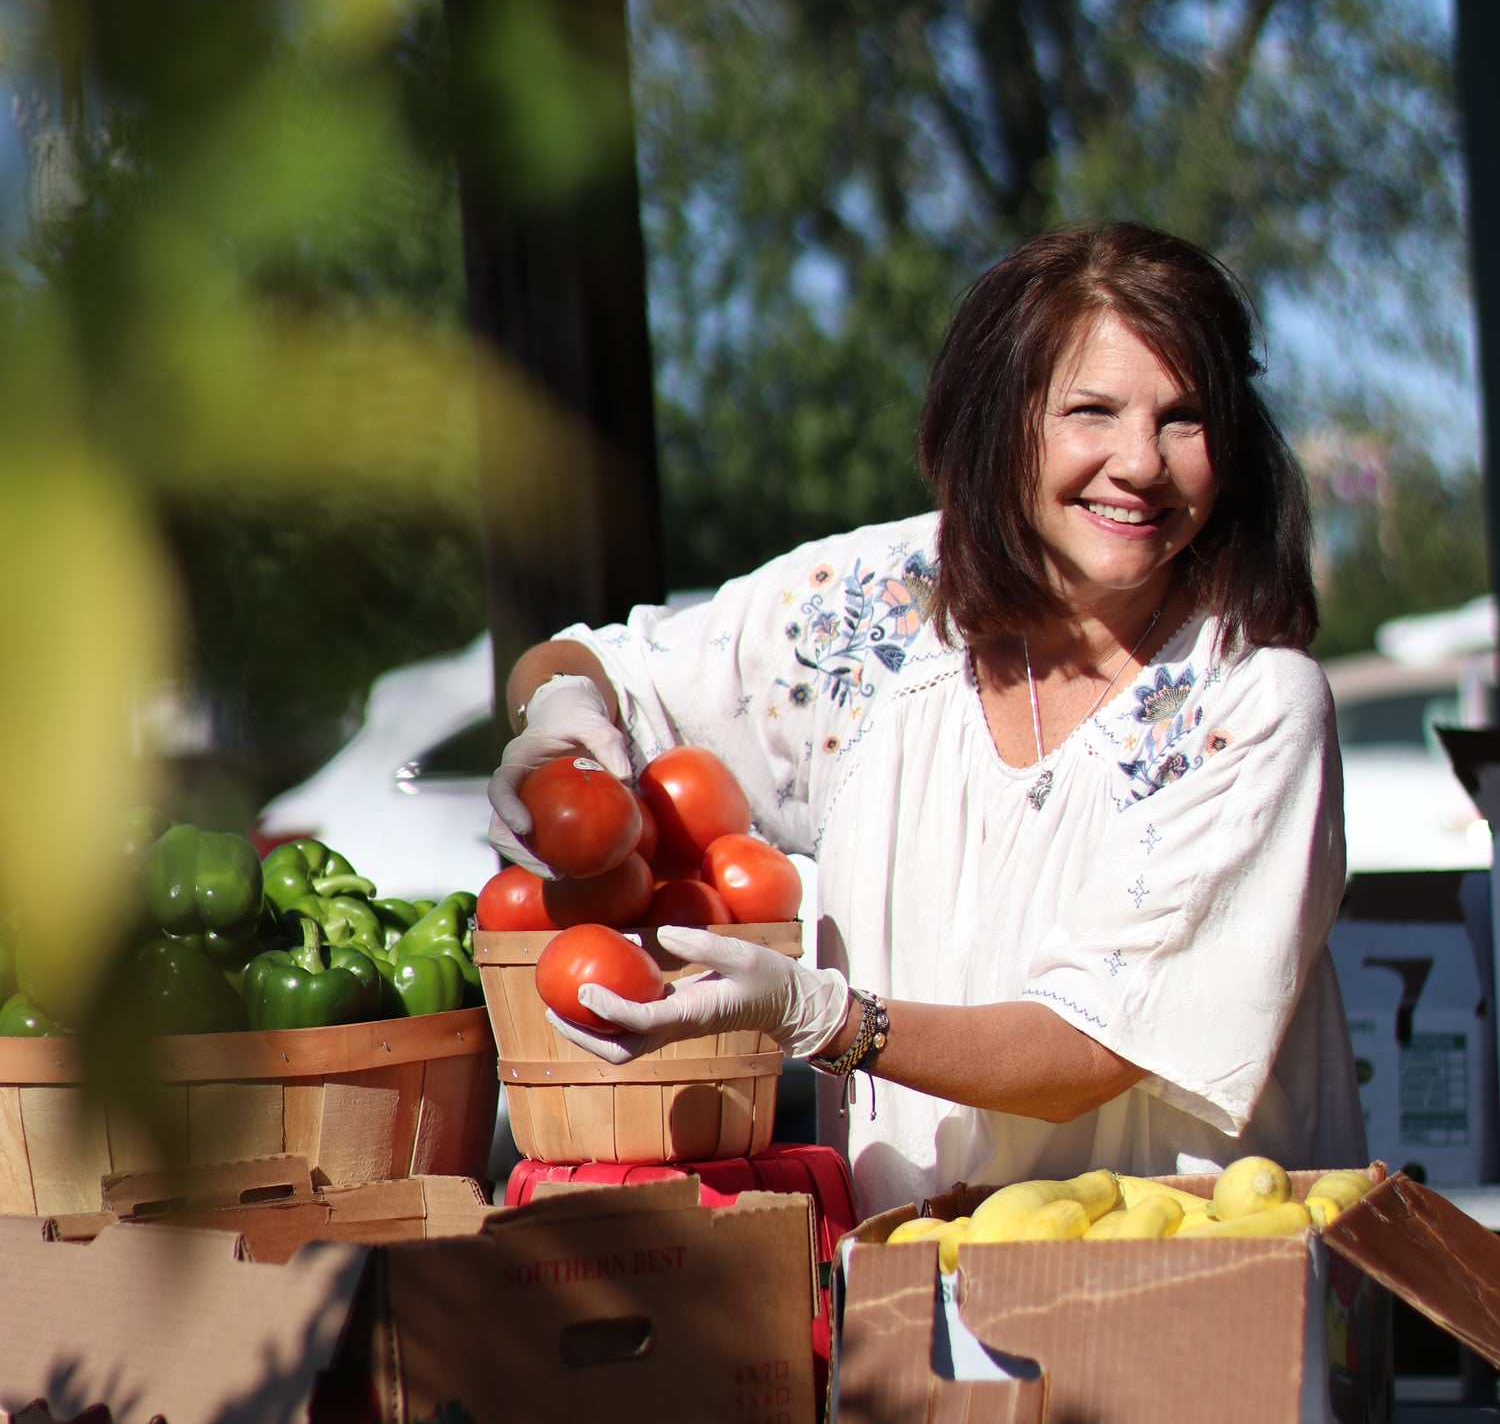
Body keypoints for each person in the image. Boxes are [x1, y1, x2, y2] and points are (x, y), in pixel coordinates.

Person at [487, 221, 1366, 1220]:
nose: (1140, 463)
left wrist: (828, 1019)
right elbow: (600, 664)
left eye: (1185, 418)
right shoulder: (879, 605)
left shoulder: (1251, 704)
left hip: (1186, 1276)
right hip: (909, 1283)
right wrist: (560, 714)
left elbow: (1088, 1048)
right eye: (1092, 411)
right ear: (1002, 420)